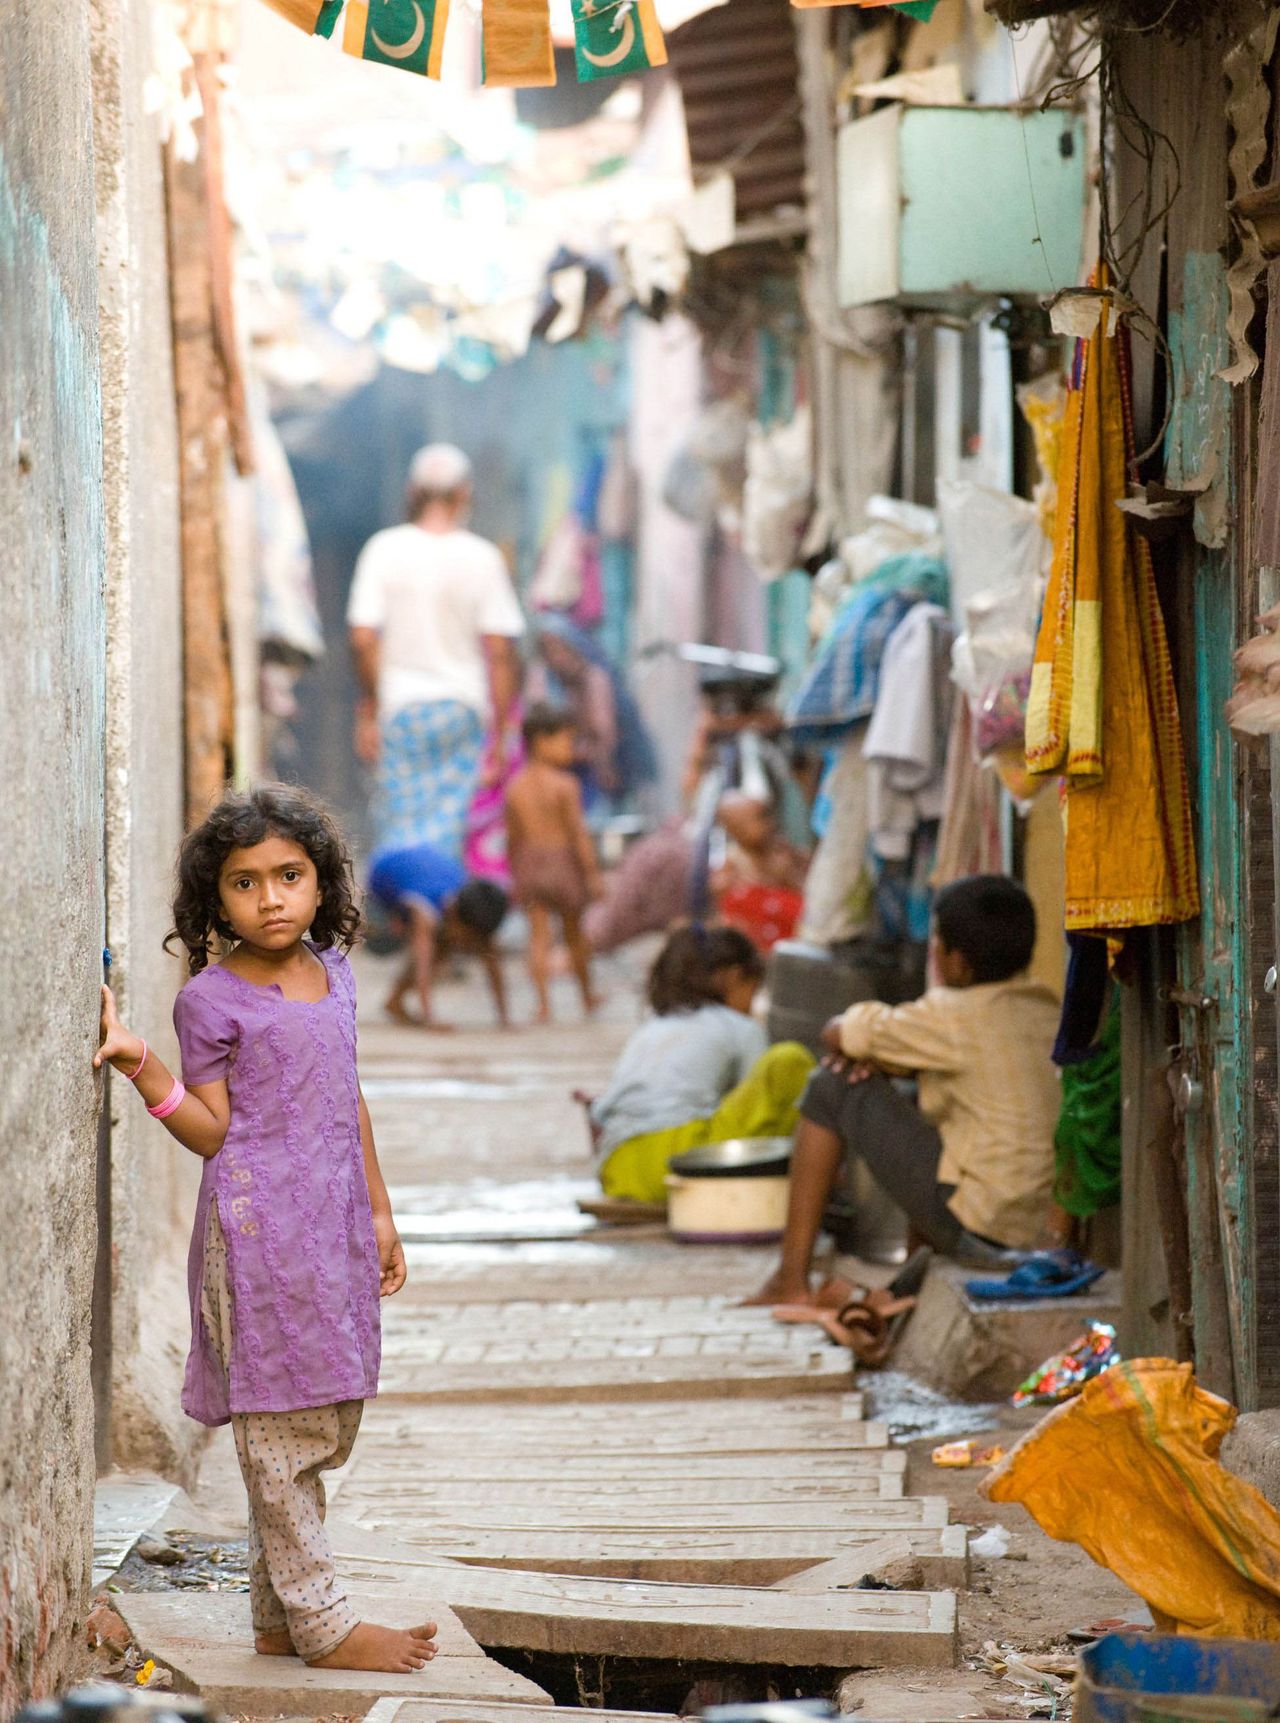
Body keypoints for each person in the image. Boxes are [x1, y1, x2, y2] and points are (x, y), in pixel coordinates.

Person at [93, 784, 436, 1674]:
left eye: (290, 874)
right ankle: (325, 1624)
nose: (272, 897)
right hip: (257, 1237)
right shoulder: (210, 1002)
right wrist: (142, 1064)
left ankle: (276, 1616)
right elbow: (210, 1130)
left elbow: (345, 1095)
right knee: (278, 1426)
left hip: (333, 1229)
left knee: (326, 1412)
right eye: (246, 882)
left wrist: (381, 1209)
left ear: (323, 885)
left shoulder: (336, 973)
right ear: (216, 900)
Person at [747, 874, 1061, 1306]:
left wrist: (866, 1055)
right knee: (920, 1097)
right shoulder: (1043, 1006)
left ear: (956, 960)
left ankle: (790, 1279)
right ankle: (914, 1277)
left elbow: (837, 1033)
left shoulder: (952, 1013)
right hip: (1032, 1227)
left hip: (980, 1230)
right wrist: (885, 1061)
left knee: (831, 1085)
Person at [347, 444, 524, 856]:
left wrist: (371, 707)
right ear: (464, 493)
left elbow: (362, 637)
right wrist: (500, 735)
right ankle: (436, 912)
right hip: (461, 709)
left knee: (402, 823)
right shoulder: (483, 558)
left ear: (412, 491)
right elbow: (500, 652)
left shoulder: (384, 550)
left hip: (402, 709)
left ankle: (409, 913)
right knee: (447, 829)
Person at [591, 926, 814, 1204]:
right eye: (752, 991)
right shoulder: (740, 1027)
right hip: (680, 1163)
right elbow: (760, 1112)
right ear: (734, 977)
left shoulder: (651, 1028)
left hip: (617, 1170)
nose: (751, 1003)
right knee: (789, 1061)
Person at [504, 704, 603, 1024]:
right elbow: (578, 835)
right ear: (540, 742)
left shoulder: (515, 787)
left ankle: (543, 1004)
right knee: (575, 934)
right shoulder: (565, 785)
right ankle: (587, 996)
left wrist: (516, 875)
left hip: (530, 865)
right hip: (562, 863)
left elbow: (513, 839)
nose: (570, 749)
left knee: (539, 936)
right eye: (565, 741)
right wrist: (592, 874)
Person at [367, 842, 510, 1030]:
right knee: (437, 944)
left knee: (448, 940)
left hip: (422, 870)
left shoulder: (476, 905)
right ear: (454, 916)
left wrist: (504, 1019)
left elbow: (492, 960)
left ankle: (394, 1001)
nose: (467, 946)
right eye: (467, 938)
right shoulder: (425, 909)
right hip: (382, 877)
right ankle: (395, 1000)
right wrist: (429, 1018)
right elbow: (423, 961)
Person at [526, 613, 657, 808]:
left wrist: (600, 763)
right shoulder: (551, 682)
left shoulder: (594, 679)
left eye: (559, 647)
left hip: (601, 772)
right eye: (548, 650)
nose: (556, 656)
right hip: (564, 769)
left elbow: (603, 731)